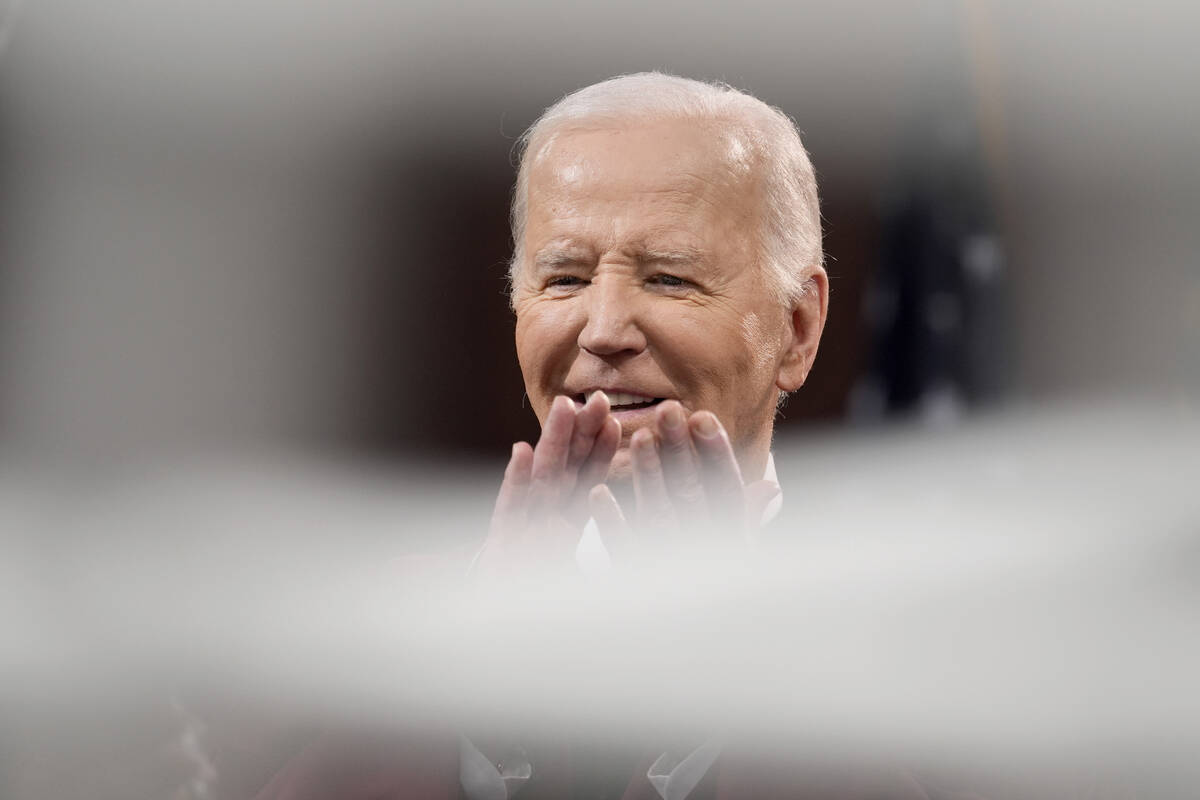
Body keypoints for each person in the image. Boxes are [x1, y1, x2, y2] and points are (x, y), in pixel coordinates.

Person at [256, 73, 960, 800]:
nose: (604, 330)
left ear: (797, 328)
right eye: (564, 279)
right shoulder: (385, 640)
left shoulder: (927, 656)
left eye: (669, 279)